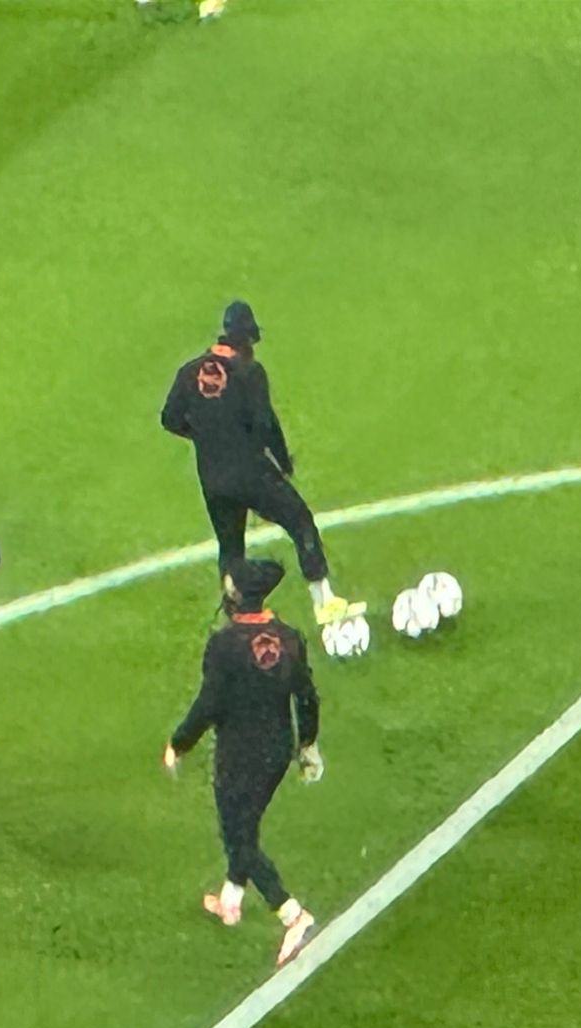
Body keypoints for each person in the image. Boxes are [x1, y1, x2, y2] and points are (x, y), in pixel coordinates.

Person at [161, 301, 363, 627]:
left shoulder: (189, 373)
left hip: (212, 478)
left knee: (231, 549)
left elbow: (169, 419)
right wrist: (282, 463)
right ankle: (324, 602)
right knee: (299, 520)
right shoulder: (249, 373)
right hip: (251, 472)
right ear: (246, 340)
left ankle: (235, 623)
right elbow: (265, 424)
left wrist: (205, 436)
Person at [162, 557, 323, 967]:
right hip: (276, 752)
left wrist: (180, 742)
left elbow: (210, 704)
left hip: (239, 753)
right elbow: (307, 697)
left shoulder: (225, 645)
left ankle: (293, 915)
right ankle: (231, 899)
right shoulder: (289, 638)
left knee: (238, 837)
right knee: (245, 824)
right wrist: (307, 744)